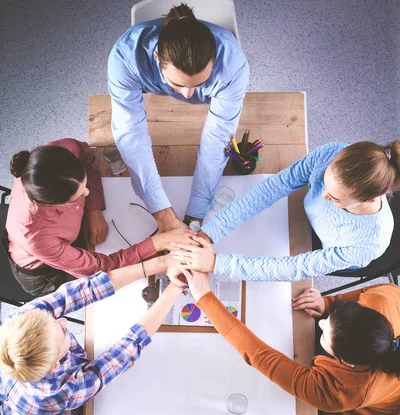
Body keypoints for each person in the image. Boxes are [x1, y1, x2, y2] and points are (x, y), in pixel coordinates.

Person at [181, 268, 400, 415]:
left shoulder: (340, 393)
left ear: (344, 362)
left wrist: (204, 297)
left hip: (361, 408)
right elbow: (364, 294)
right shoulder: (384, 299)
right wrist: (327, 304)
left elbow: (260, 356)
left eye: (325, 335)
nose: (321, 325)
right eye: (330, 319)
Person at [0, 258, 185, 415]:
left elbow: (87, 289)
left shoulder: (21, 320)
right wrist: (174, 289)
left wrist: (161, 263)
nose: (63, 321)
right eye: (63, 332)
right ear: (55, 364)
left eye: (52, 319)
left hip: (15, 394)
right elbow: (125, 351)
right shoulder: (61, 391)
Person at [108, 3, 249, 232]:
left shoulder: (233, 64)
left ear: (214, 60)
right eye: (177, 84)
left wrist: (195, 215)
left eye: (200, 83)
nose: (187, 95)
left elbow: (217, 137)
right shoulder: (124, 57)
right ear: (156, 58)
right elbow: (130, 133)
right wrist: (162, 213)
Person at [170, 141, 400, 281]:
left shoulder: (369, 243)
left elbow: (297, 267)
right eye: (324, 183)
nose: (322, 195)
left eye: (334, 197)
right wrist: (209, 232)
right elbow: (276, 186)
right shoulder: (332, 152)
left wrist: (216, 264)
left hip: (331, 251)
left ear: (370, 198)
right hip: (304, 221)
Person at [5, 138, 194, 296]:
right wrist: (156, 243)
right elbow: (99, 269)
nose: (87, 194)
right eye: (77, 197)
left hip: (64, 240)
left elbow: (88, 158)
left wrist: (93, 210)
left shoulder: (59, 153)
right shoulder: (35, 236)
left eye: (84, 185)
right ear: (53, 205)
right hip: (44, 273)